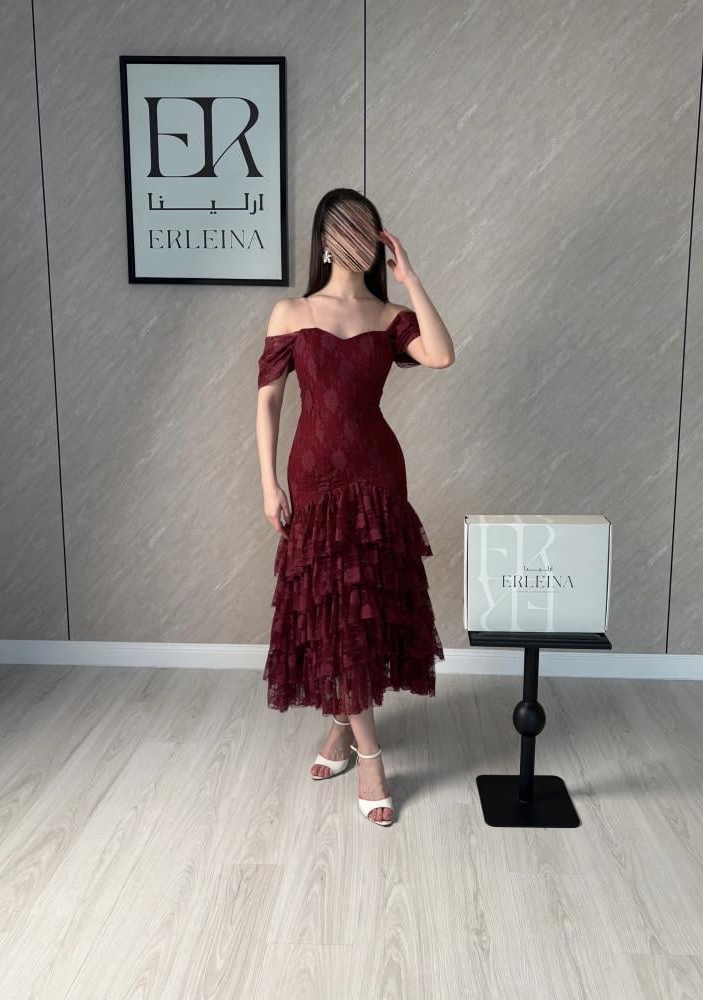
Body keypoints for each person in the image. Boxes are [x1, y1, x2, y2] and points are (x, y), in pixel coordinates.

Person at [256, 188, 455, 826]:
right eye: (343, 226)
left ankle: (352, 738)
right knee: (335, 610)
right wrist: (268, 483)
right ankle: (364, 747)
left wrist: (411, 278)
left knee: (359, 610)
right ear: (322, 240)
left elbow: (442, 354)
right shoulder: (291, 311)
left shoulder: (390, 316)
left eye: (367, 227)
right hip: (314, 476)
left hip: (376, 474)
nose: (356, 237)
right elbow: (269, 401)